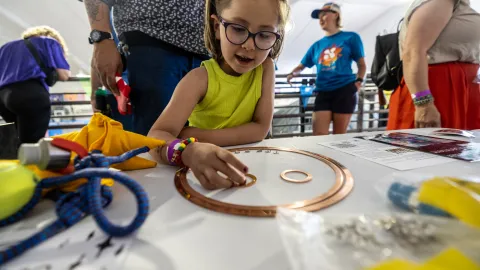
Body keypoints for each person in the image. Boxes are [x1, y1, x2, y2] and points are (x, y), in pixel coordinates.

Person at [148, 0, 290, 190]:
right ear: (217, 27)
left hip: (253, 171)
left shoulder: (266, 68)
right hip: (203, 175)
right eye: (238, 29)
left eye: (264, 35)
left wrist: (196, 136)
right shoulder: (198, 79)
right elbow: (155, 137)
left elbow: (261, 129)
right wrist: (188, 150)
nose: (249, 45)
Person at [83, 0, 210, 136]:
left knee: (203, 139)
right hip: (150, 41)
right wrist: (102, 39)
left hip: (208, 48)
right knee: (156, 142)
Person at [387, 0, 480, 130]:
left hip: (461, 89)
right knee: (428, 146)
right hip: (437, 88)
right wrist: (423, 104)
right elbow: (413, 51)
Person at [287, 2, 366, 135]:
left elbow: (362, 64)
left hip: (344, 90)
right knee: (318, 136)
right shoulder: (317, 45)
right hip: (323, 91)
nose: (321, 18)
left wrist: (359, 81)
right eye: (319, 16)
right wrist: (293, 73)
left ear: (336, 15)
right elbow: (302, 65)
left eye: (324, 14)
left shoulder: (351, 37)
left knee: (338, 137)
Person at [0, 26, 70, 144]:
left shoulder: (6, 47)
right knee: (32, 146)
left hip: (3, 99)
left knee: (15, 146)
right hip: (31, 96)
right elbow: (63, 74)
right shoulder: (49, 41)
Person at [90, 7, 133, 132]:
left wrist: (94, 94)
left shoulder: (106, 20)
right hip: (153, 84)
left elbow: (98, 61)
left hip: (116, 91)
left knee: (126, 142)